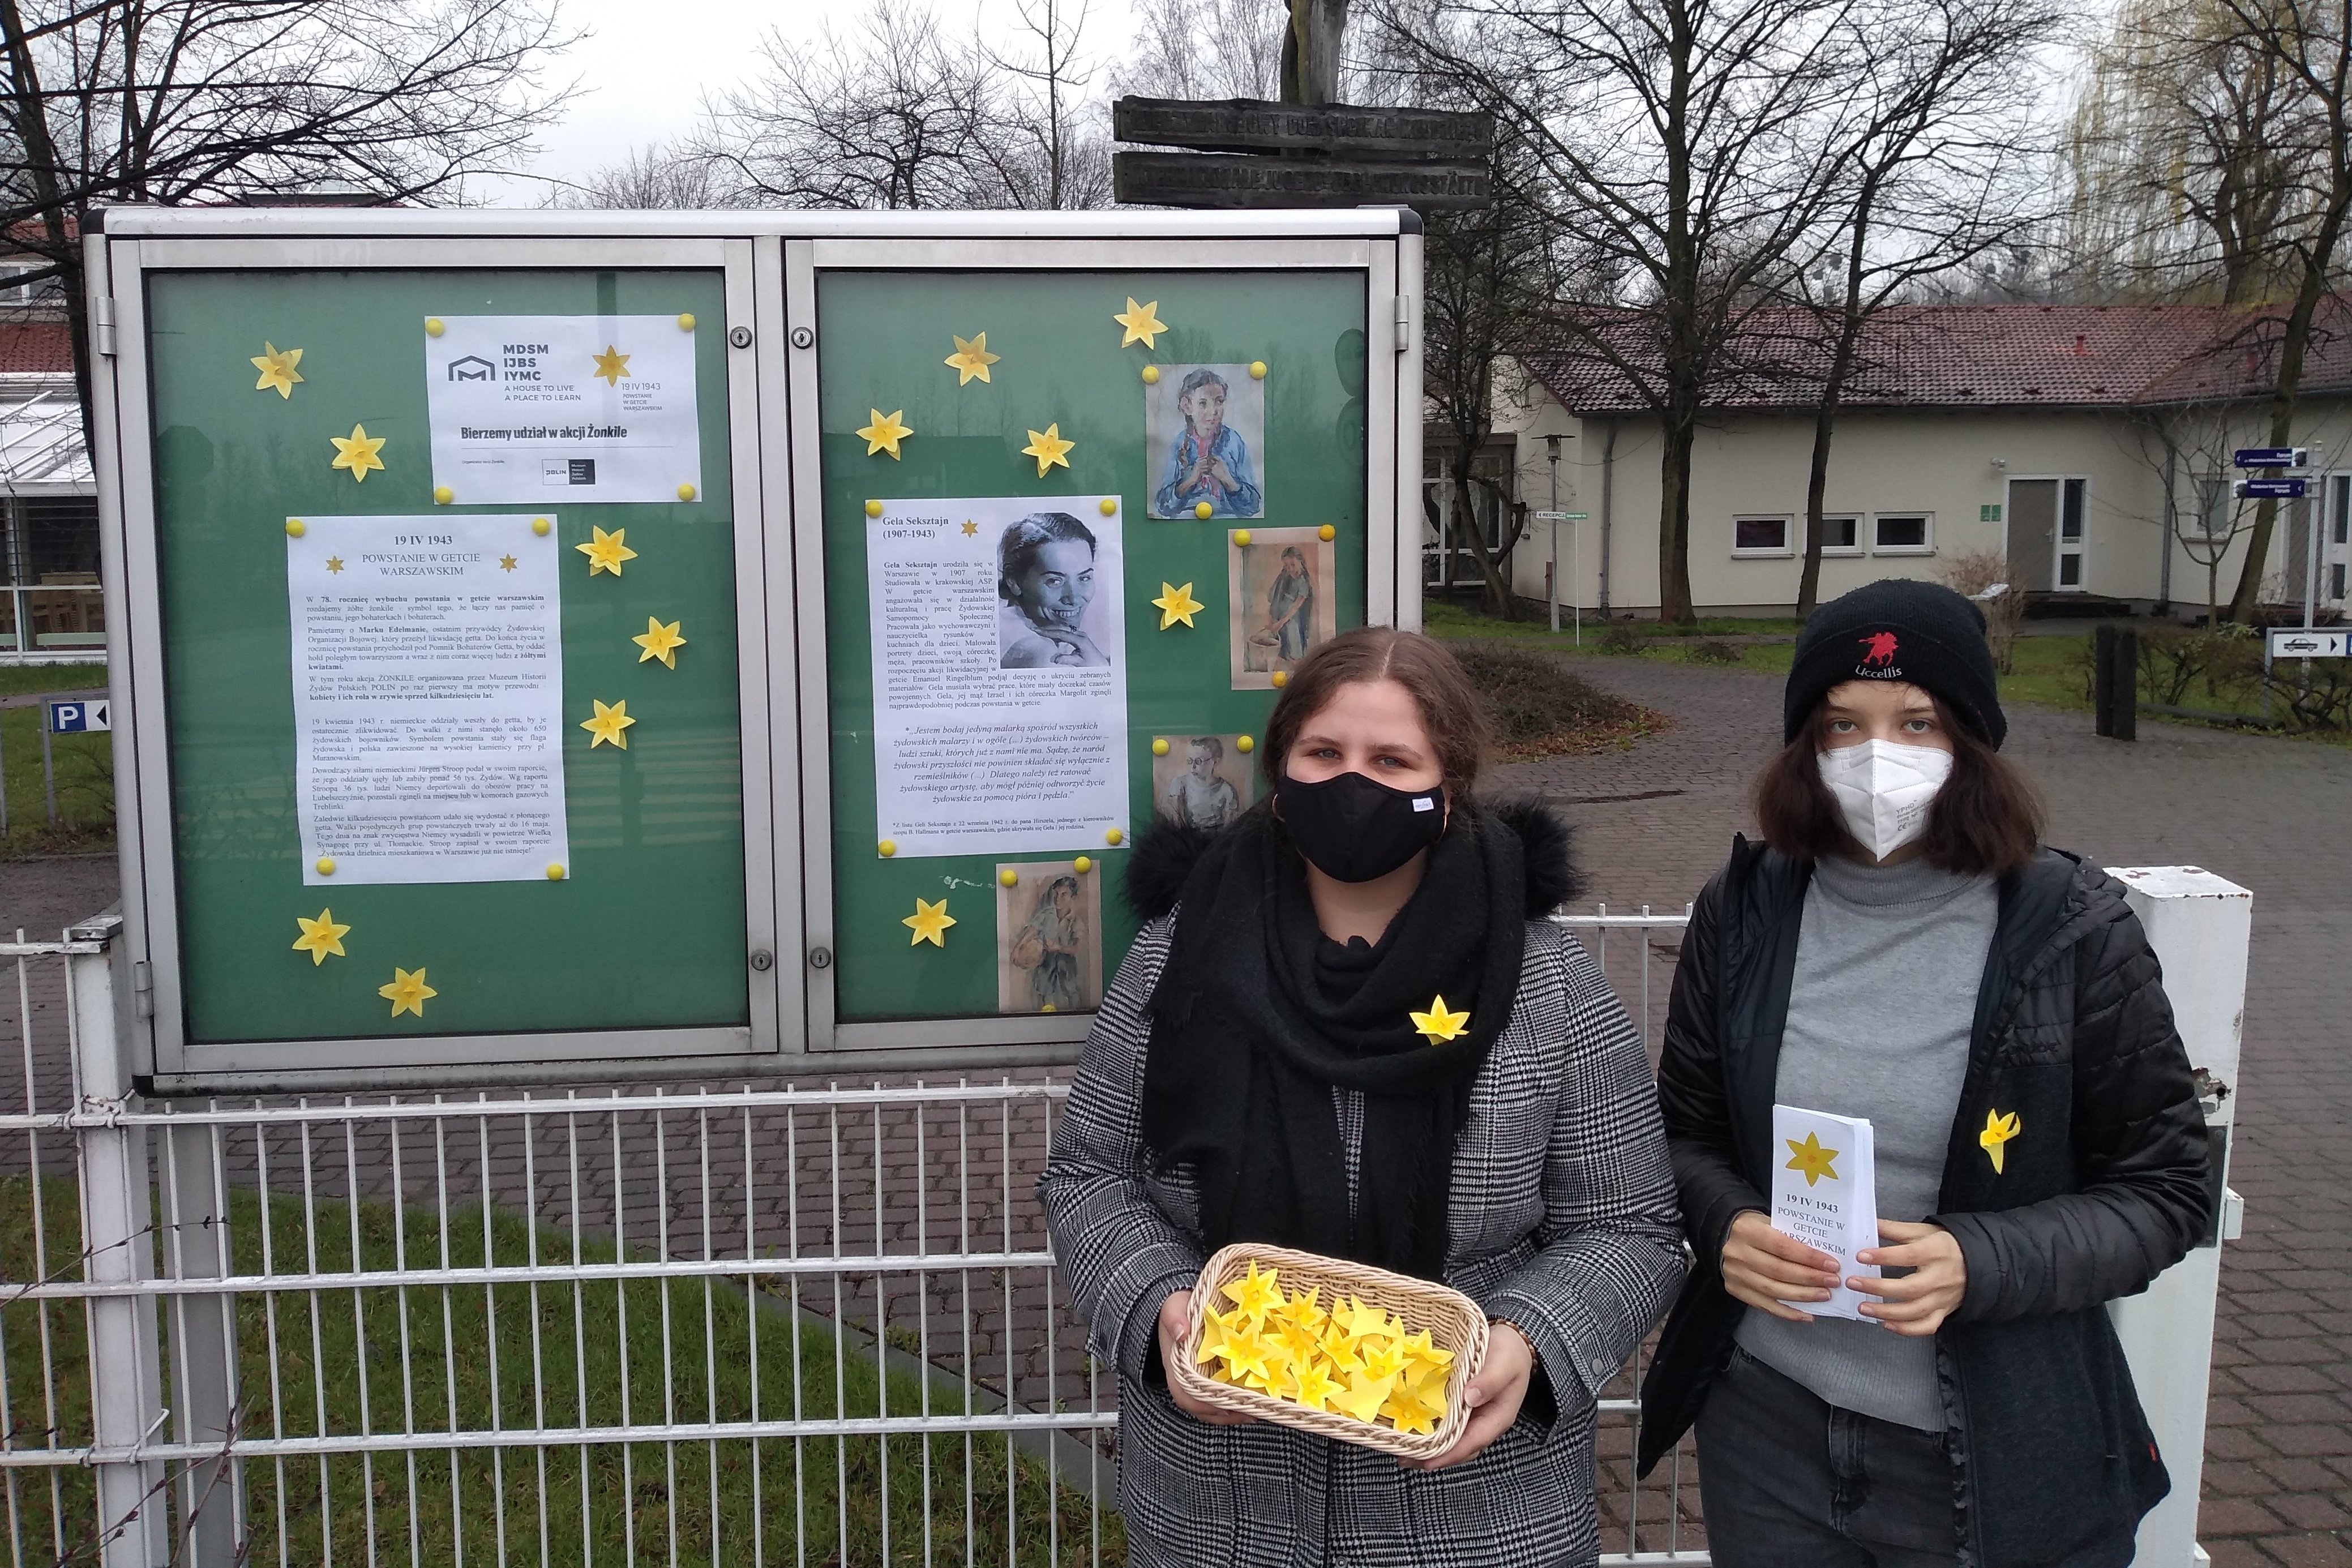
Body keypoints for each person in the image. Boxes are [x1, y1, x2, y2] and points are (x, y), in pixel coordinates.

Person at [1039, 627, 1686, 1566]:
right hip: (1222, 1510)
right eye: (1323, 753)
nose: (1353, 785)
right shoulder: (1177, 956)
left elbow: (1630, 1224)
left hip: (1473, 1513)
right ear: (1281, 771)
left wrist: (1531, 1339)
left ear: (1448, 784)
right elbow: (1091, 1174)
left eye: (1392, 761)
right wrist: (1157, 1303)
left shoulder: (1546, 985)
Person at [1637, 579, 2211, 1568]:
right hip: (1768, 1426)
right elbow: (1685, 1135)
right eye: (1841, 724)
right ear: (1805, 745)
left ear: (1972, 741)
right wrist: (1726, 1221)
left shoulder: (2070, 929)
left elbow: (2166, 1190)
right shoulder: (1745, 908)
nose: (1877, 756)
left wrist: (1978, 1260)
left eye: (1917, 723)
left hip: (1992, 1451)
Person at [998, 512, 1108, 669]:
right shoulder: (1039, 652)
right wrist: (1100, 668)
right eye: (1055, 581)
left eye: (1084, 578)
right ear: (1014, 581)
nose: (1073, 598)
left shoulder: (1020, 621)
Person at [1153, 367, 1263, 519]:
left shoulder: (1234, 442)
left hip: (1228, 521)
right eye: (1203, 404)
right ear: (1187, 406)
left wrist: (1227, 480)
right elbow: (1163, 506)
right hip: (1186, 522)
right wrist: (1191, 480)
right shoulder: (1180, 444)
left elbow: (1253, 506)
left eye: (1219, 402)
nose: (1213, 411)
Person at [1011, 873, 1089, 1012]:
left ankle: (1076, 1014)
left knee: (1071, 990)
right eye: (1056, 894)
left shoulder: (1075, 920)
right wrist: (1018, 948)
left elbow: (1077, 948)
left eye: (1064, 895)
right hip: (1046, 961)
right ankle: (1047, 1013)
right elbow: (1032, 931)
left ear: (1073, 897)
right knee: (1045, 989)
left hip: (1066, 963)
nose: (1058, 899)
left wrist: (1059, 948)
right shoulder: (1047, 914)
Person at [1163, 735, 1244, 830]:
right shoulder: (1180, 784)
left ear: (1215, 762)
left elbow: (1228, 828)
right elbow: (1178, 822)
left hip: (1217, 837)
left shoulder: (1228, 791)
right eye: (1190, 761)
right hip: (1188, 835)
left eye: (1198, 761)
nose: (1193, 767)